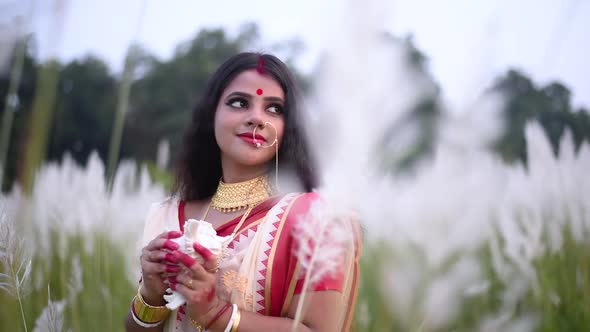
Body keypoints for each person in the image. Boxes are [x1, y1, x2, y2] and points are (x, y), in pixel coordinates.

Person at [125, 52, 360, 332]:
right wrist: (150, 297)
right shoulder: (167, 215)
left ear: (290, 127)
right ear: (211, 114)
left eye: (274, 109)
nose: (256, 118)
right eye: (239, 103)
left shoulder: (316, 219)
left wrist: (216, 314)